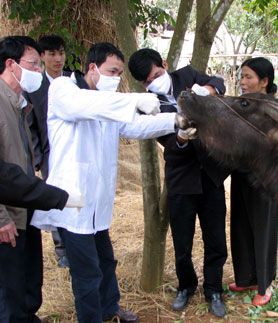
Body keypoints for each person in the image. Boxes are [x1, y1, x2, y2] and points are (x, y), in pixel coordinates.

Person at [31, 42, 183, 323]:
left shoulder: (108, 103)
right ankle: (91, 318)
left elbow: (135, 126)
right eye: (112, 71)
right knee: (86, 270)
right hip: (72, 202)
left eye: (119, 73)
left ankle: (110, 309)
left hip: (96, 203)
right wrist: (133, 100)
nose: (116, 78)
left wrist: (175, 119)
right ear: (92, 67)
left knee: (105, 260)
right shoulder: (65, 89)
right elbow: (83, 106)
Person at [128, 48, 230, 318]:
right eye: (147, 82)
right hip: (181, 181)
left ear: (164, 64)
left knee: (216, 238)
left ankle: (214, 289)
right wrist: (182, 138)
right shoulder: (150, 104)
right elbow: (168, 147)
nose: (153, 83)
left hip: (210, 176)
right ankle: (186, 286)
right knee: (182, 242)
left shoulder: (186, 75)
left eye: (156, 75)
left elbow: (219, 83)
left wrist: (206, 90)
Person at [0, 35, 49, 323]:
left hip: (25, 207)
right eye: (34, 64)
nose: (39, 72)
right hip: (7, 214)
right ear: (11, 64)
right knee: (10, 287)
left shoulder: (20, 104)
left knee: (31, 277)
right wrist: (1, 217)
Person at [228, 57, 278, 306]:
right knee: (240, 226)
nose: (243, 82)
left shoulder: (274, 108)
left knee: (263, 229)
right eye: (241, 77)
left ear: (264, 81)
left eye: (248, 77)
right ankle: (246, 277)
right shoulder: (241, 104)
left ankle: (265, 284)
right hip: (241, 175)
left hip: (265, 180)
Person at [25, 34, 72, 268]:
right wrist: (38, 159)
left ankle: (77, 241)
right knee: (54, 198)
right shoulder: (35, 87)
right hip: (49, 154)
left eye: (61, 53)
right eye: (52, 54)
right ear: (42, 56)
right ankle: (61, 247)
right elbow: (31, 125)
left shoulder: (75, 82)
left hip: (74, 151)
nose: (58, 59)